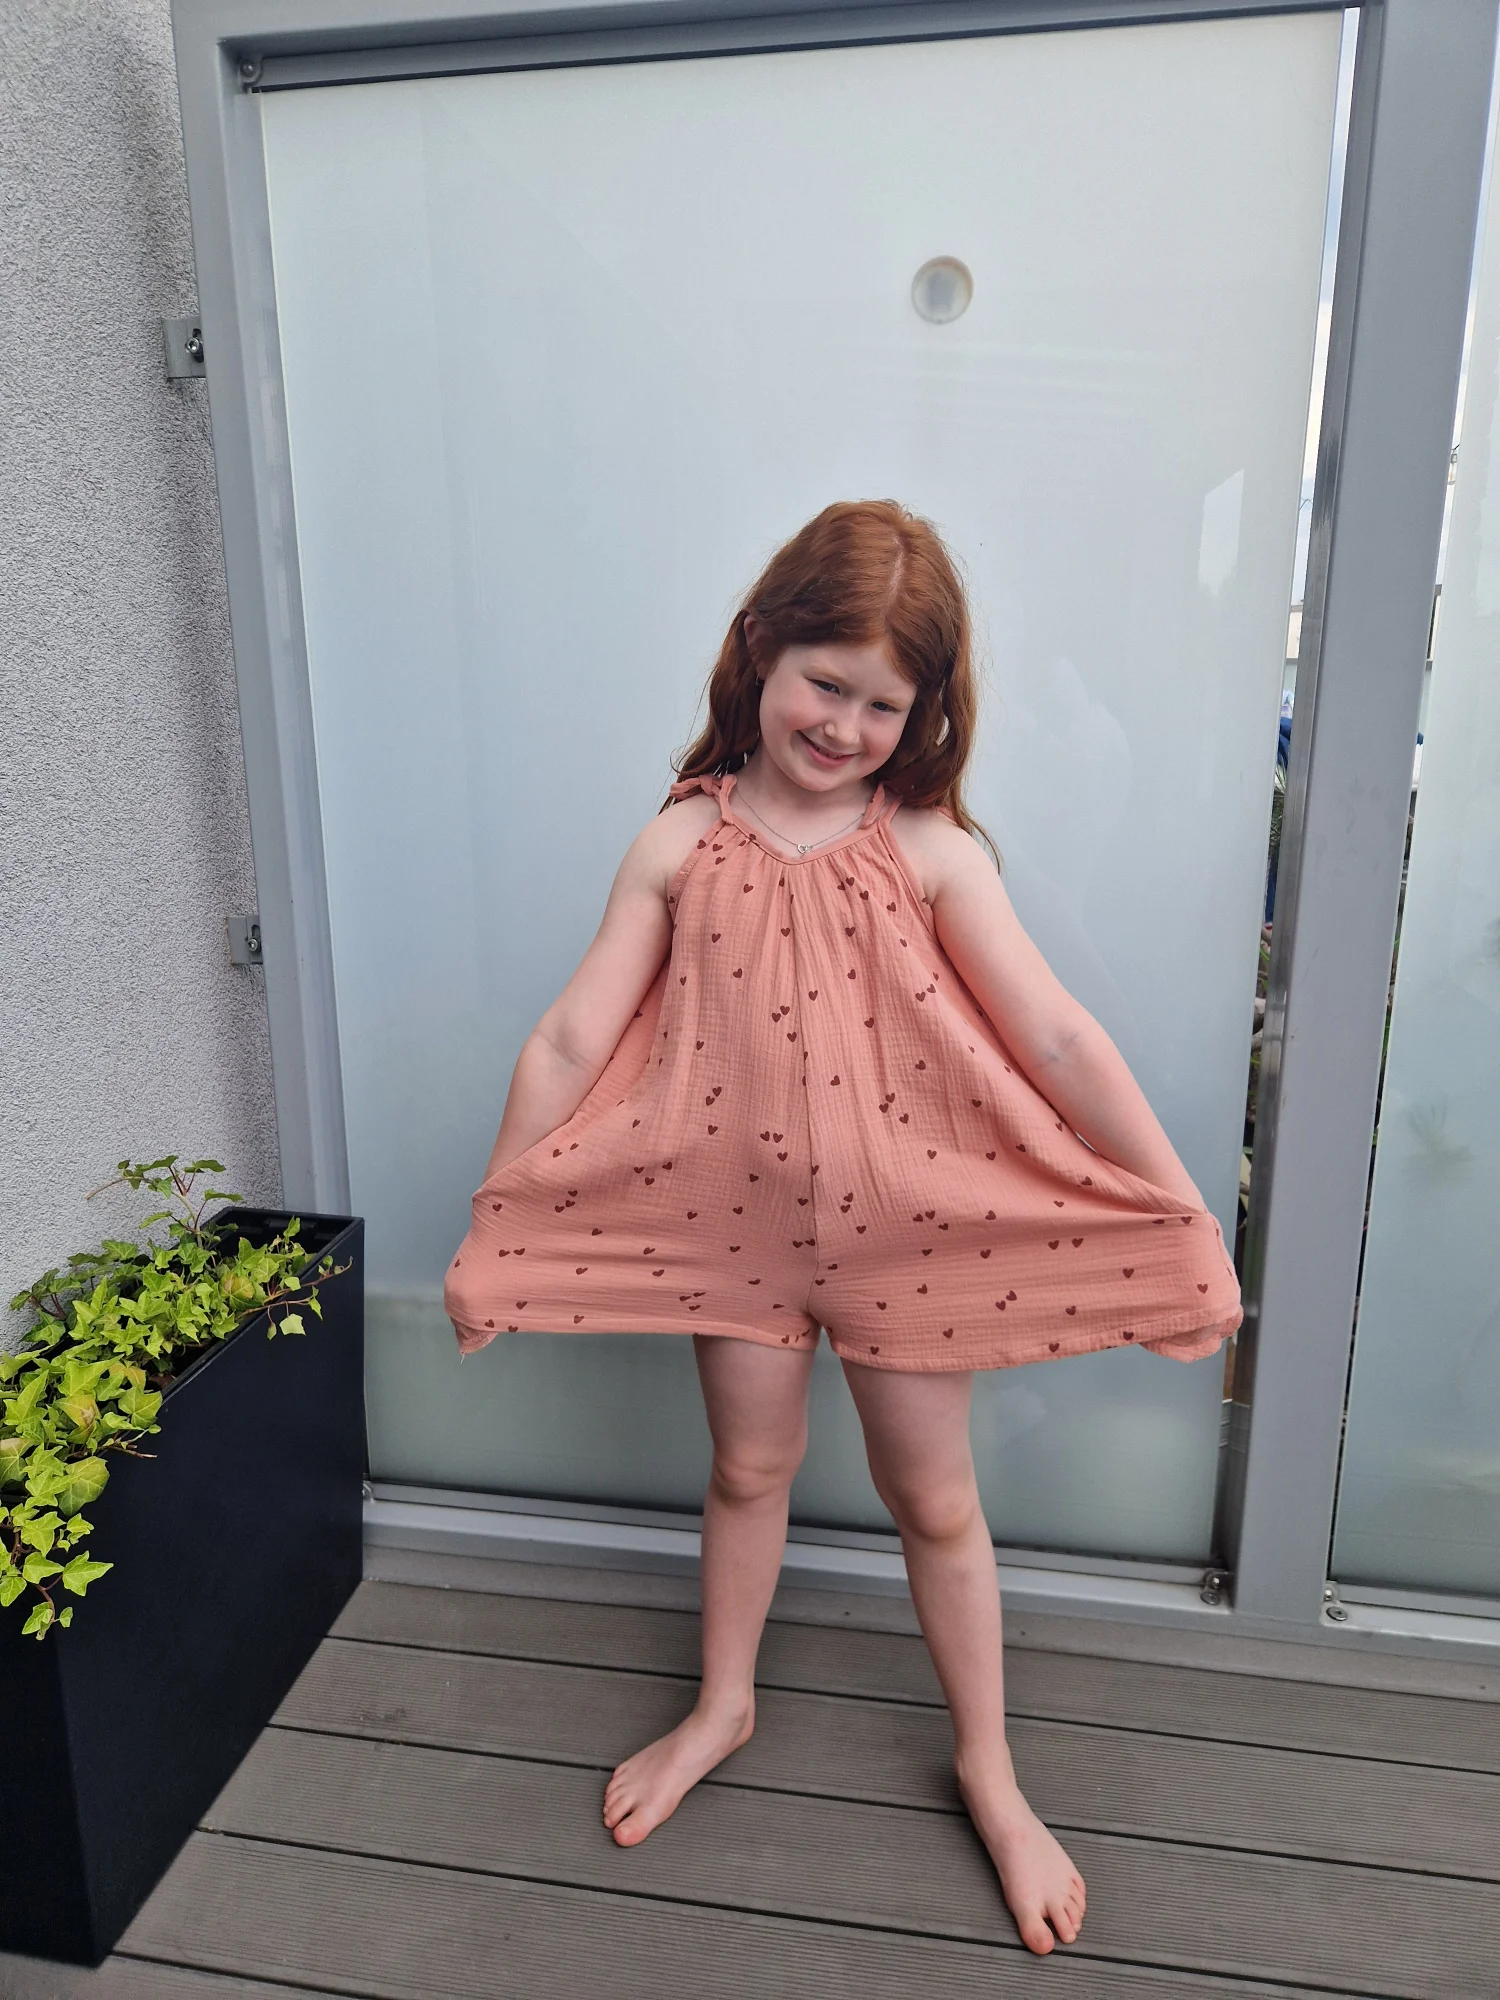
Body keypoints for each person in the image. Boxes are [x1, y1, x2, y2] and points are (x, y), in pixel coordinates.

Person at [444, 499, 1243, 1956]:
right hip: (724, 1228)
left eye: (887, 705)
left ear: (925, 712)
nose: (847, 726)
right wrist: (503, 1214)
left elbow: (1056, 1038)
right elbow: (569, 1039)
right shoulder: (679, 842)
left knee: (935, 1502)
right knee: (748, 1469)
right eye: (826, 683)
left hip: (913, 1237)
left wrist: (1178, 1199)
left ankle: (989, 1768)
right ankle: (723, 1703)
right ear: (759, 646)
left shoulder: (931, 850)